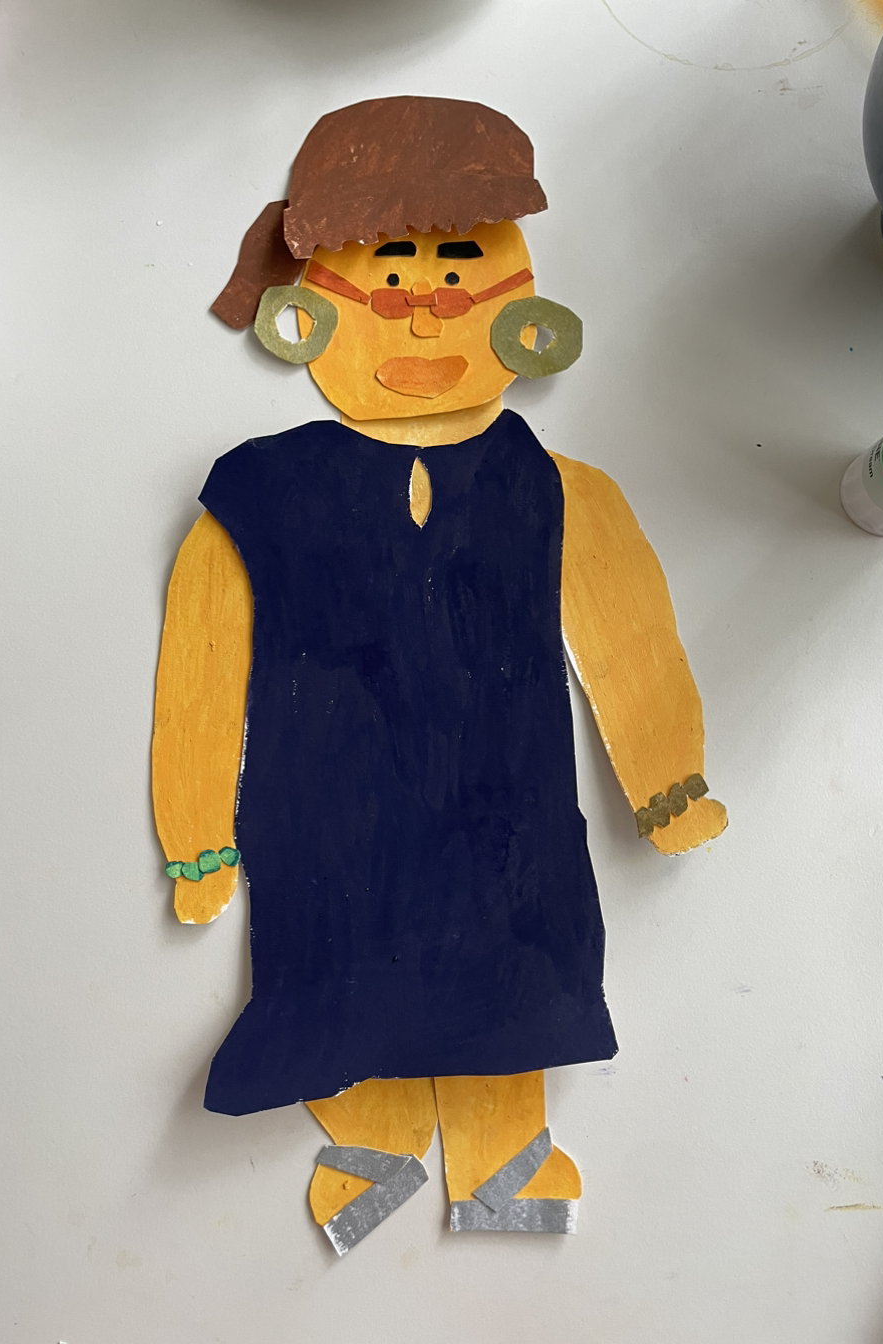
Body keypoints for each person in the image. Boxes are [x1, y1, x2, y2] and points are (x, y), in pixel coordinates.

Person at [151, 97, 727, 1254]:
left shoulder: (562, 490)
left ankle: (505, 1159)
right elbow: (200, 669)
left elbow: (630, 641)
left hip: (508, 816)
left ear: (522, 304)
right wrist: (196, 837)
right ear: (311, 306)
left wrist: (667, 782)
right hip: (327, 822)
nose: (423, 305)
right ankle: (371, 1145)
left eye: (458, 266)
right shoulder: (254, 494)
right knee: (337, 979)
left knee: (511, 984)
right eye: (388, 272)